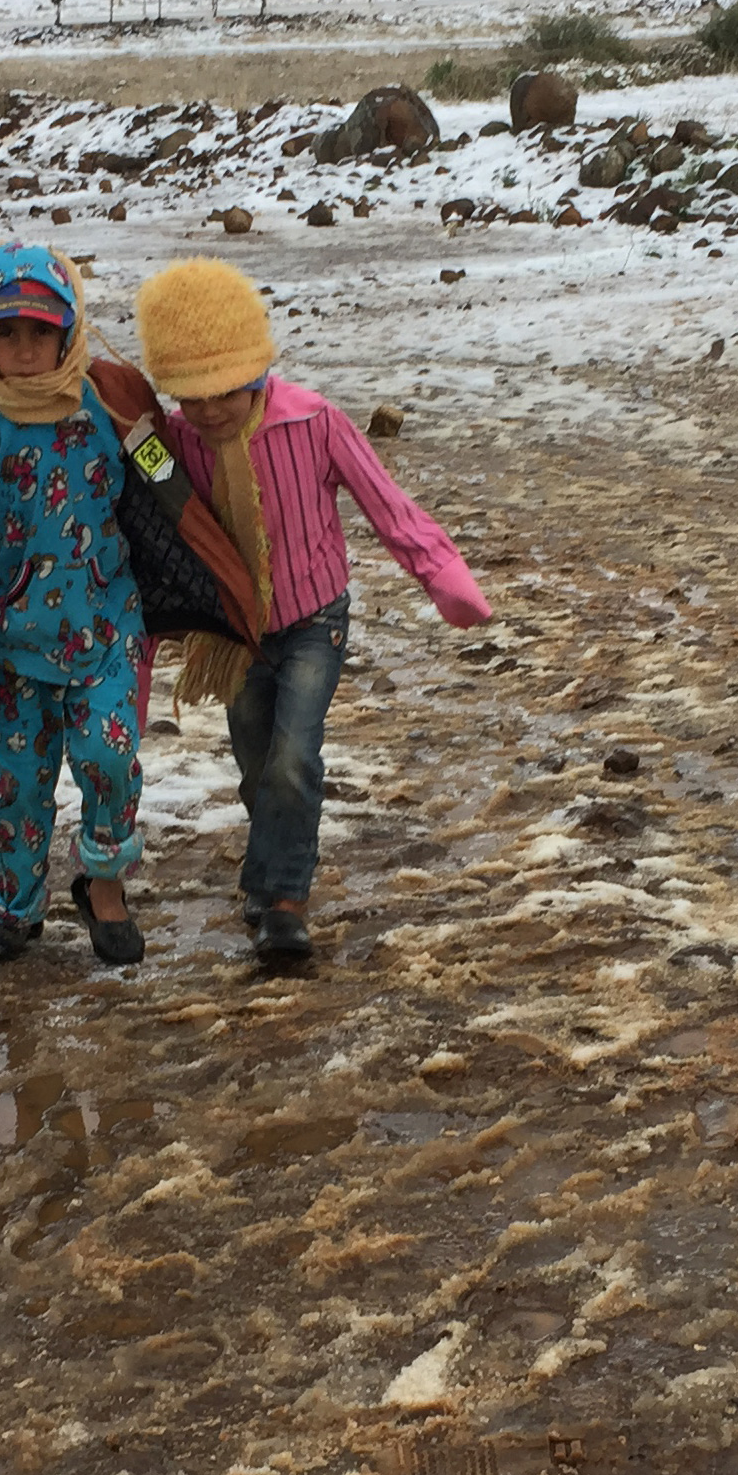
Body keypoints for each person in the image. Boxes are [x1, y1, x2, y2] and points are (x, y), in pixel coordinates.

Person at [0, 243, 263, 966]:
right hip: (7, 645)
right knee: (21, 780)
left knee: (109, 758)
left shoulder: (113, 400)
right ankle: (16, 904)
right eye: (6, 334)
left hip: (105, 631)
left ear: (68, 332)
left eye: (39, 331)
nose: (24, 349)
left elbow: (168, 481)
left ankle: (103, 887)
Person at [132, 258, 491, 969]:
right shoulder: (169, 444)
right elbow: (139, 508)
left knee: (293, 759)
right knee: (255, 764)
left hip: (312, 619)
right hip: (232, 630)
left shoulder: (315, 421)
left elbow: (386, 503)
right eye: (189, 397)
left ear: (257, 370)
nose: (207, 412)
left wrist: (442, 575)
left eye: (223, 393)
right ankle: (272, 879)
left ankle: (281, 902)